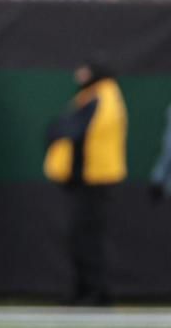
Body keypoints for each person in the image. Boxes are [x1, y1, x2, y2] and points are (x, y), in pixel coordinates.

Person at [44, 59, 127, 305]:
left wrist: (57, 130)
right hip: (83, 180)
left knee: (90, 237)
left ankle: (97, 291)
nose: (79, 75)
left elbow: (75, 129)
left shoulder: (105, 97)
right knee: (79, 236)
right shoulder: (90, 96)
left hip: (97, 180)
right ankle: (83, 289)